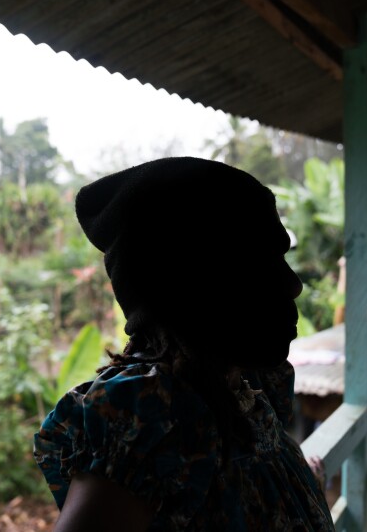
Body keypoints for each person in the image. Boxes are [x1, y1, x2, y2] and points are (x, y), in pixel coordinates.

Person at [34, 157, 334, 531]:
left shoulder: (239, 386)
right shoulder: (151, 418)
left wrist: (300, 486)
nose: (293, 285)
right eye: (260, 264)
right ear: (195, 288)